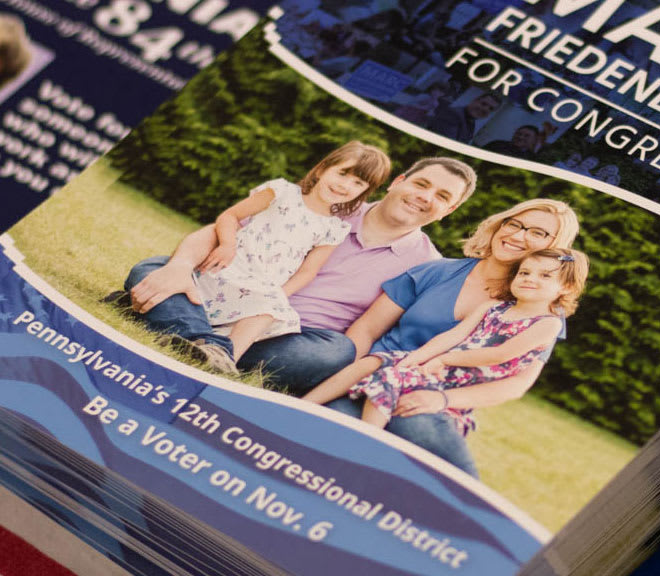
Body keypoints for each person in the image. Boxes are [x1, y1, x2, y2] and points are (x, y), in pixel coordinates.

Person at [122, 156, 476, 388]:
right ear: (398, 181)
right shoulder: (325, 204)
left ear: (451, 209)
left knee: (336, 351)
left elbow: (370, 333)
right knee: (153, 267)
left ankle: (183, 330)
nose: (425, 197)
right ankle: (210, 345)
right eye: (421, 184)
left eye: (443, 196)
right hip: (225, 297)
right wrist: (181, 266)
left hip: (288, 339)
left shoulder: (426, 265)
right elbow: (220, 230)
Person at [322, 197, 581, 475]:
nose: (518, 235)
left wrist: (442, 400)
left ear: (556, 250)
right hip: (383, 372)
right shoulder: (437, 270)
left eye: (538, 232)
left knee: (419, 428)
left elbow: (514, 385)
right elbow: (367, 329)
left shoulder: (539, 315)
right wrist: (348, 377)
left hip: (439, 396)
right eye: (514, 224)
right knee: (332, 436)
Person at [306, 248, 588, 436]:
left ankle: (366, 440)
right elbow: (454, 335)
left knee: (391, 379)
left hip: (459, 379)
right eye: (525, 272)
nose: (529, 279)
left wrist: (443, 360)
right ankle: (306, 404)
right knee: (373, 362)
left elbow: (498, 354)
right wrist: (418, 358)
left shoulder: (548, 324)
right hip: (438, 365)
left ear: (566, 287)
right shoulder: (493, 306)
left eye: (544, 276)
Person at [192, 141, 391, 369]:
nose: (345, 185)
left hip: (264, 286)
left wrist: (278, 295)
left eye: (358, 183)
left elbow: (309, 271)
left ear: (363, 193)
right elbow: (230, 215)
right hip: (233, 267)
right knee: (262, 307)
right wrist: (227, 245)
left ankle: (223, 357)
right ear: (322, 169)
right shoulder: (281, 192)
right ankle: (219, 351)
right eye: (343, 173)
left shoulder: (334, 228)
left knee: (271, 310)